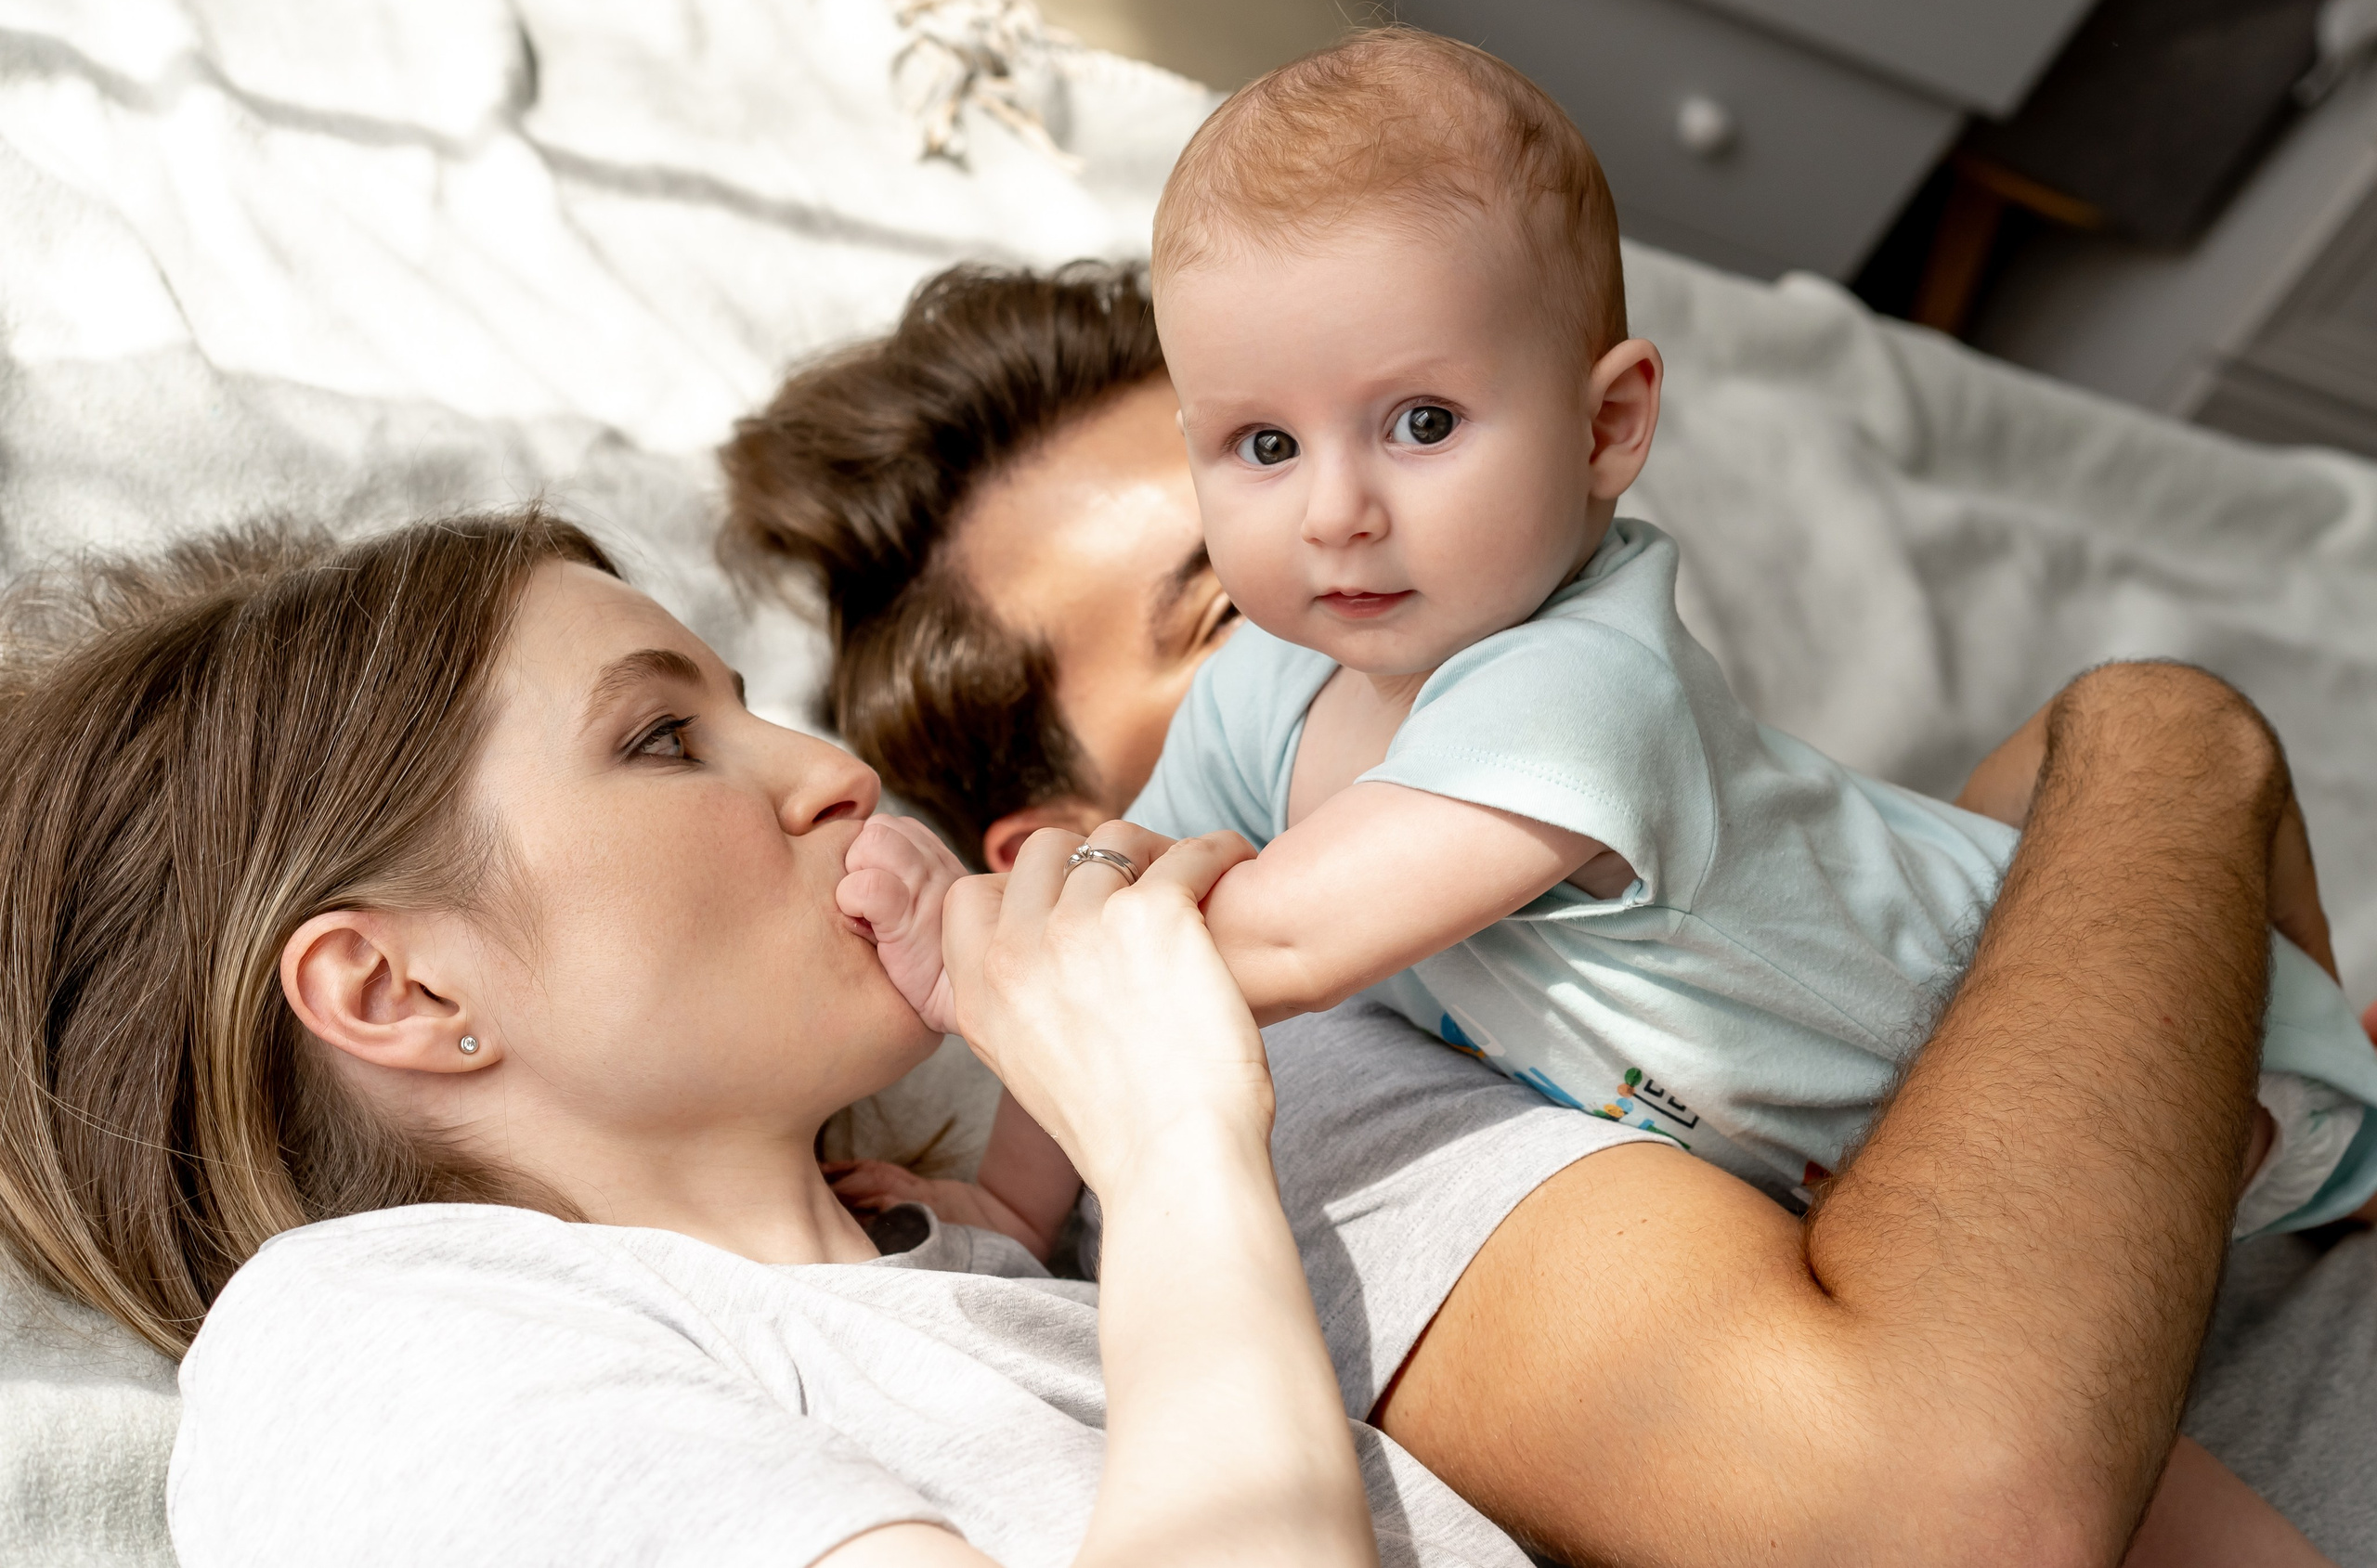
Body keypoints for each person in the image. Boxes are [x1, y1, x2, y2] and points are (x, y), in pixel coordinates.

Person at [722, 276, 2376, 1563]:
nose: (1345, 550)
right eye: (1225, 600)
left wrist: (2172, 953)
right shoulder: (1298, 1100)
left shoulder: (1556, 766)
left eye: (1364, 466)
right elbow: (1935, 1514)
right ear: (1080, 846)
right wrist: (2168, 753)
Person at [0, 512, 1524, 1567]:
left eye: (744, 709)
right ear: (401, 994)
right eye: (662, 739)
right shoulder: (352, 1350)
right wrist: (1175, 1135)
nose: (833, 771)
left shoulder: (992, 1270)